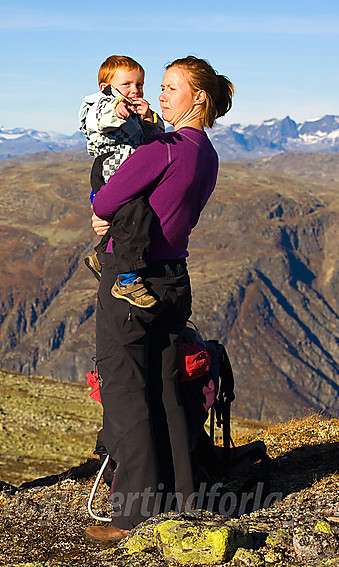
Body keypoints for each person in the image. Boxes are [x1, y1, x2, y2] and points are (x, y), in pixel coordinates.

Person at [84, 56, 234, 541]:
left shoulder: (166, 148)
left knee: (126, 388)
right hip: (174, 278)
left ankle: (133, 511)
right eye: (162, 87)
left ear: (200, 99)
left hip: (132, 280)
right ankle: (182, 496)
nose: (162, 95)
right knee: (169, 388)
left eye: (172, 88)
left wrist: (99, 212)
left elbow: (106, 199)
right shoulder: (206, 153)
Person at [78, 55, 164, 308]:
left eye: (140, 85)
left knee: (127, 219)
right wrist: (117, 109)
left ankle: (100, 254)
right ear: (106, 86)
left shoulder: (135, 111)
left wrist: (149, 119)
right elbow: (101, 118)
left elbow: (154, 139)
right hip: (109, 170)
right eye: (127, 84)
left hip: (125, 172)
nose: (135, 91)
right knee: (135, 216)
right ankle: (127, 279)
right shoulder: (100, 104)